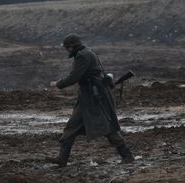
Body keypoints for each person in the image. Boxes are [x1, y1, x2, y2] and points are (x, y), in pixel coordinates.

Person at [47, 34, 134, 167]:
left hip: (96, 97)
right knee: (72, 126)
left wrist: (57, 84)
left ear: (73, 46)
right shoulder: (86, 52)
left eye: (68, 48)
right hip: (88, 97)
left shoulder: (83, 55)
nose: (67, 51)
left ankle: (127, 156)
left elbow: (74, 77)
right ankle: (62, 158)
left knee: (108, 127)